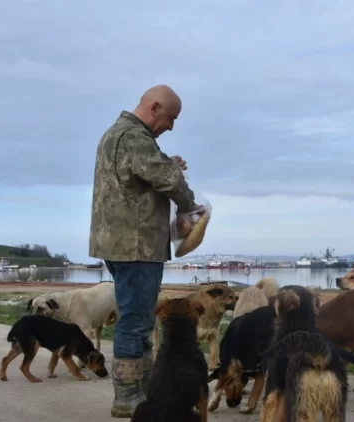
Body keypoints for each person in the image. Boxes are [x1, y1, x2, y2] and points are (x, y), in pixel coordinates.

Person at [88, 84, 203, 418]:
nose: (171, 126)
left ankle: (149, 389)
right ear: (154, 108)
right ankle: (128, 397)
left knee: (137, 317)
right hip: (136, 245)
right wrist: (191, 208)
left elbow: (145, 175)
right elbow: (166, 181)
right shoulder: (134, 137)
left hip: (122, 242)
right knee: (136, 321)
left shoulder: (120, 135)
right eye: (171, 118)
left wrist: (167, 164)